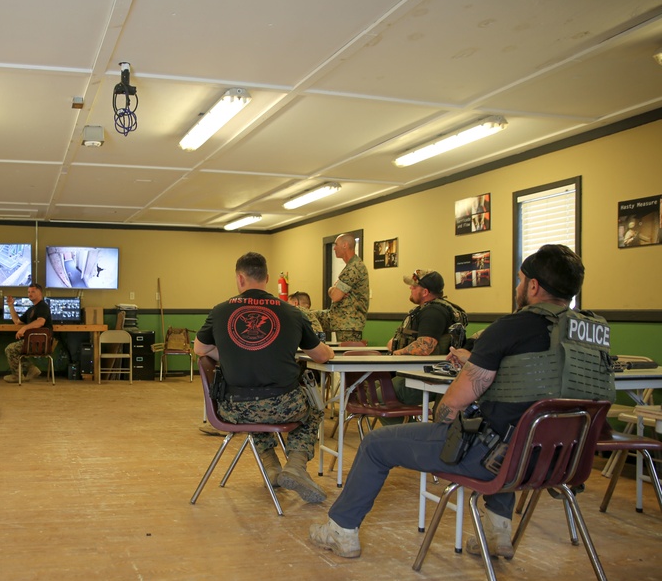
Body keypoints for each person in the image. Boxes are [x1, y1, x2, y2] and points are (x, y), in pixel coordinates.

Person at [309, 244, 614, 558]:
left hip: (496, 459)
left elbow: (452, 406)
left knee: (376, 444)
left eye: (521, 280)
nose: (518, 286)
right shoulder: (594, 333)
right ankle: (497, 534)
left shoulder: (510, 328)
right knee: (515, 427)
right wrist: (480, 361)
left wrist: (446, 419)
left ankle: (341, 530)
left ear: (533, 286)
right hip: (563, 462)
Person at [194, 252, 336, 503]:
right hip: (283, 406)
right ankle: (295, 465)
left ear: (240, 279)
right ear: (267, 278)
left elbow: (200, 350)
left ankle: (271, 466)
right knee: (313, 407)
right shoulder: (293, 313)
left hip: (233, 408)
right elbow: (322, 356)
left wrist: (230, 354)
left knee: (253, 403)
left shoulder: (220, 311)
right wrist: (329, 349)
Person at [386, 270, 466, 405]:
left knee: (379, 394)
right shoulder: (433, 309)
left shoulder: (432, 312)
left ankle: (408, 427)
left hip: (428, 376)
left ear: (425, 292)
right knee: (376, 387)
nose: (410, 288)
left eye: (414, 286)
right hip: (424, 373)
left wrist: (396, 352)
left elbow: (424, 347)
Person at [4, 282, 53, 383]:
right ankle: (31, 369)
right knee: (12, 349)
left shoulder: (43, 306)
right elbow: (17, 321)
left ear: (40, 293)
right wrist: (11, 306)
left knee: (10, 349)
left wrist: (24, 328)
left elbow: (41, 321)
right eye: (29, 292)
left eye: (33, 292)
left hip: (40, 343)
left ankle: (18, 376)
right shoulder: (31, 309)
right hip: (31, 342)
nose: (30, 294)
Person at [327, 234, 369, 342]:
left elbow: (336, 296)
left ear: (345, 245)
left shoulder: (354, 267)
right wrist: (333, 289)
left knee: (346, 356)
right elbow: (336, 293)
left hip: (349, 324)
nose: (334, 248)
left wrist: (333, 289)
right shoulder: (350, 266)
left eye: (336, 244)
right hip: (344, 322)